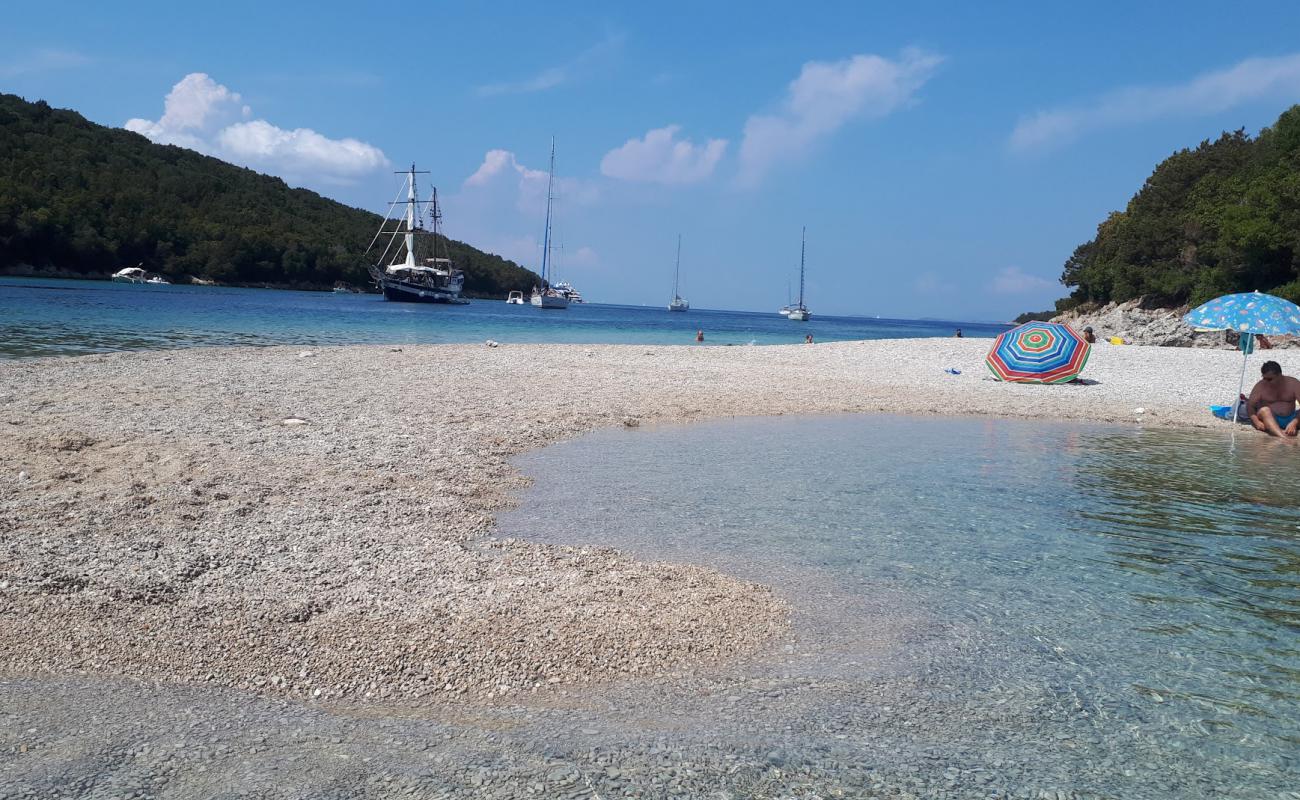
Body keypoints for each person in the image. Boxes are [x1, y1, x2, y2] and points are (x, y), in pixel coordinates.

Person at [1247, 361, 1300, 439]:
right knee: (1264, 410)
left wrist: (1294, 422)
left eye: (1270, 379)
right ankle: (1283, 438)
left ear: (1280, 375)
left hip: (1291, 417)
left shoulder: (1293, 383)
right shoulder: (1260, 386)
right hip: (1270, 418)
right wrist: (1256, 422)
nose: (1266, 381)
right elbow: (1250, 406)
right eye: (1264, 378)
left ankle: (1283, 434)